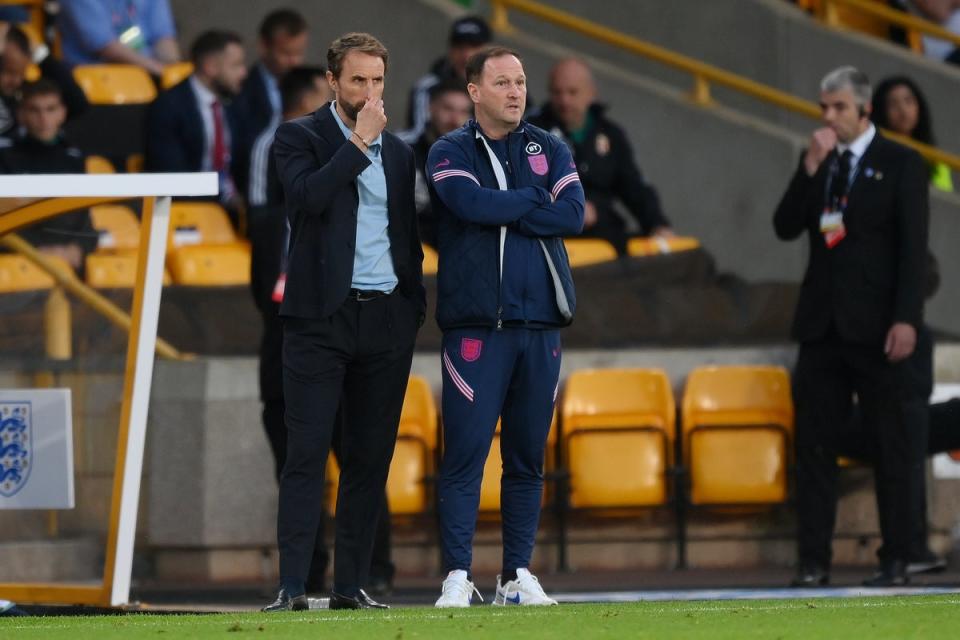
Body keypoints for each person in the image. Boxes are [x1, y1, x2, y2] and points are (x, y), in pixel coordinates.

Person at [263, 32, 424, 612]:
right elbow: (307, 198)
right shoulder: (297, 137)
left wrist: (411, 309)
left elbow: (405, 238)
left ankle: (351, 586)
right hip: (317, 321)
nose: (369, 91)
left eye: (378, 80)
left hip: (385, 320)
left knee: (369, 460)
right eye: (358, 80)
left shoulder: (402, 153)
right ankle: (292, 587)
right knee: (305, 457)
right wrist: (358, 143)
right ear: (333, 81)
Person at [426, 47, 584, 607]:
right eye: (502, 82)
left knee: (526, 457)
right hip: (477, 327)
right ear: (474, 91)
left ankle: (517, 574)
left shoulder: (549, 145)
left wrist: (506, 204)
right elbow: (467, 203)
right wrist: (530, 200)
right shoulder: (448, 150)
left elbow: (572, 215)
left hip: (541, 325)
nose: (515, 92)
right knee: (465, 453)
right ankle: (456, 575)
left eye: (519, 82)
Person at [774, 66, 930, 587]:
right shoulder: (820, 163)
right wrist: (808, 166)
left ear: (865, 111)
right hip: (822, 329)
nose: (828, 116)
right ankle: (814, 562)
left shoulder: (901, 163)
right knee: (815, 448)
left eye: (838, 107)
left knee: (892, 447)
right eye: (823, 107)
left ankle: (897, 557)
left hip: (879, 327)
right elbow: (785, 225)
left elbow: (914, 251)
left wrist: (907, 318)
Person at [529, 58, 672, 256]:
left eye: (572, 92)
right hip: (555, 238)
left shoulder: (611, 134)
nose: (564, 101)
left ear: (591, 94)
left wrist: (657, 224)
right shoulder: (532, 133)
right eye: (557, 92)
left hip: (605, 234)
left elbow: (634, 186)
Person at [144, 30, 246, 215]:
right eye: (236, 65)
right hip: (186, 209)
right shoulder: (169, 106)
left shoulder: (235, 102)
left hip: (232, 208)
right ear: (210, 67)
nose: (243, 72)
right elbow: (170, 175)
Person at [0, 79, 96, 271]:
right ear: (21, 114)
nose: (43, 119)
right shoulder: (5, 158)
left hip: (68, 263)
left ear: (63, 113)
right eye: (35, 110)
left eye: (50, 109)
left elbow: (85, 220)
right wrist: (38, 251)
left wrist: (77, 249)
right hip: (19, 261)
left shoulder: (74, 158)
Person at [233, 8, 309, 205]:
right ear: (264, 46)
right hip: (260, 192)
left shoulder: (308, 86)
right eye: (285, 53)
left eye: (299, 53)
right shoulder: (241, 91)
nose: (294, 61)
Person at [401, 15, 491, 144]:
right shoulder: (427, 87)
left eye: (474, 47)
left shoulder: (506, 89)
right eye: (460, 47)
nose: (466, 55)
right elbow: (417, 134)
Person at [0, 25, 88, 144]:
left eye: (21, 73)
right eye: (8, 72)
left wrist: (41, 56)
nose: (16, 81)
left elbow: (77, 102)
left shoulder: (23, 94)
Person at [411, 79, 472, 247]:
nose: (454, 119)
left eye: (463, 112)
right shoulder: (403, 150)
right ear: (430, 108)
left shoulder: (476, 162)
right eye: (448, 109)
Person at [870, 75, 953, 192]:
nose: (903, 110)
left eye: (908, 101)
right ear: (882, 110)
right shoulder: (870, 149)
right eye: (893, 104)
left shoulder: (936, 160)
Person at [57, 0, 181, 75]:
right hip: (99, 75)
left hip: (150, 71)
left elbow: (163, 36)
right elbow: (105, 46)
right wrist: (161, 72)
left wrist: (173, 70)